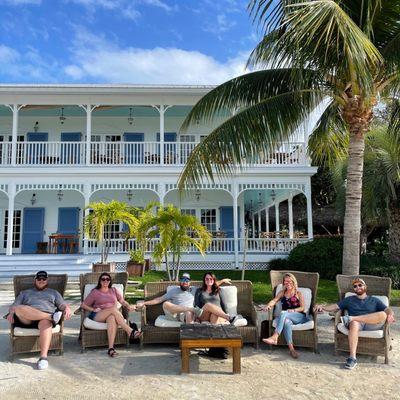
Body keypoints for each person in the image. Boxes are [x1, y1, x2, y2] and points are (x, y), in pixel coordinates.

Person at [314, 277, 395, 369]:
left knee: (383, 314)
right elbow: (335, 306)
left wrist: (390, 315)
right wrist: (322, 307)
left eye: (360, 285)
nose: (357, 287)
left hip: (371, 324)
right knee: (354, 323)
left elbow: (387, 309)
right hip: (356, 325)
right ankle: (352, 358)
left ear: (365, 287)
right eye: (355, 286)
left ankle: (352, 318)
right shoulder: (349, 299)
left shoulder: (374, 300)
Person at [6, 270, 72, 370]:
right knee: (19, 308)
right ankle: (51, 317)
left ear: (47, 280)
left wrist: (67, 307)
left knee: (45, 323)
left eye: (44, 279)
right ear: (35, 280)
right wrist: (11, 313)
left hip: (44, 321)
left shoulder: (54, 293)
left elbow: (62, 304)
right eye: (39, 279)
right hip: (27, 319)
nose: (41, 281)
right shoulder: (25, 293)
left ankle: (43, 358)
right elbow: (14, 306)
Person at [81, 272, 141, 357]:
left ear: (110, 281)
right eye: (103, 279)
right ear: (100, 281)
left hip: (112, 314)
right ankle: (129, 331)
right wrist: (93, 309)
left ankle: (111, 349)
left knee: (112, 318)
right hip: (98, 315)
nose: (105, 281)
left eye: (107, 279)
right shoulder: (95, 292)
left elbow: (122, 301)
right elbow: (83, 305)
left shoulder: (113, 290)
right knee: (113, 309)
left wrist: (128, 305)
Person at [261, 273, 309, 359]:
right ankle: (292, 349)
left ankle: (275, 336)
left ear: (294, 282)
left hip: (299, 317)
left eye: (290, 281)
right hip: (287, 317)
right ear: (283, 283)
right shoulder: (282, 292)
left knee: (283, 313)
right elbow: (274, 300)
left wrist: (294, 310)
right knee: (286, 322)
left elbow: (302, 308)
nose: (288, 283)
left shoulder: (298, 293)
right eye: (286, 282)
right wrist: (268, 305)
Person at [136, 273, 201, 323]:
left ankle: (189, 339)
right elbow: (159, 299)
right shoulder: (174, 290)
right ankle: (191, 309)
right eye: (182, 279)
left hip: (189, 314)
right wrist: (144, 303)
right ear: (179, 281)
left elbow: (207, 290)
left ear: (190, 282)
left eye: (187, 280)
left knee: (188, 313)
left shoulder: (195, 289)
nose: (184, 282)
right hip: (177, 314)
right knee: (166, 303)